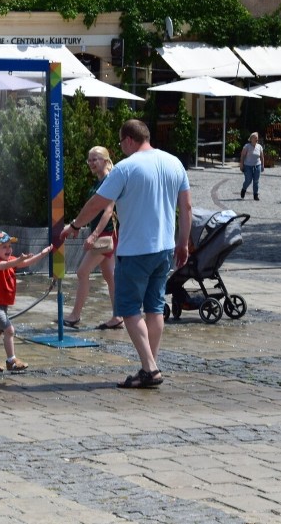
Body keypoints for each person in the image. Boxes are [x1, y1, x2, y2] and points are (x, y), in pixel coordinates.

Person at [61, 119, 192, 389]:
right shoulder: (173, 163)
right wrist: (183, 243)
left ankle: (150, 368)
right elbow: (187, 207)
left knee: (130, 310)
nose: (120, 148)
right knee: (155, 309)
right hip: (165, 248)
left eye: (121, 142)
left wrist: (74, 225)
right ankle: (148, 367)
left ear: (129, 140)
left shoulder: (125, 168)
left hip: (134, 251)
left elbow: (98, 203)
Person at [63, 146, 123, 331]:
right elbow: (93, 210)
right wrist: (77, 224)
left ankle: (75, 316)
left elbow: (107, 211)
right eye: (89, 159)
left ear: (105, 160)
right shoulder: (100, 183)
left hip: (105, 235)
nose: (91, 163)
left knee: (82, 272)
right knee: (109, 276)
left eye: (95, 159)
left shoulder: (110, 181)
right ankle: (118, 316)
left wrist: (94, 235)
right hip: (105, 234)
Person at [0, 230, 53, 373]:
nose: (8, 249)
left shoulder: (10, 260)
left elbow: (25, 262)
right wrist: (18, 260)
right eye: (4, 246)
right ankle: (11, 361)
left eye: (9, 246)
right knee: (9, 330)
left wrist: (42, 254)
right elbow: (5, 266)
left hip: (1, 306)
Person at [239, 132, 263, 201]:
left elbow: (262, 156)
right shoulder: (247, 146)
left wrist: (262, 165)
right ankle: (244, 189)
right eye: (255, 138)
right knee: (248, 180)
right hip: (248, 166)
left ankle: (255, 195)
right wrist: (241, 164)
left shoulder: (259, 146)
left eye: (257, 138)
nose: (256, 139)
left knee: (256, 181)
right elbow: (242, 156)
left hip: (257, 165)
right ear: (251, 139)